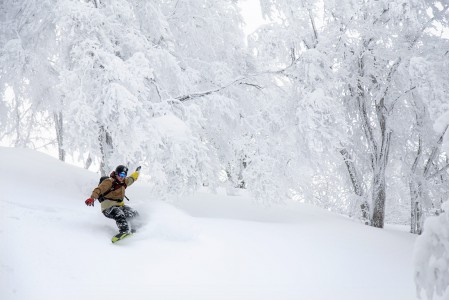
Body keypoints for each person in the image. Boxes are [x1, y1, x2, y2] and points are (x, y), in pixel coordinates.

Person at [85, 165, 140, 235]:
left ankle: (136, 230)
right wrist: (92, 198)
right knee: (119, 214)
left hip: (120, 205)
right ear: (117, 174)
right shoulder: (109, 181)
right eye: (120, 174)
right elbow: (98, 190)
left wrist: (137, 172)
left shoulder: (124, 181)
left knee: (133, 213)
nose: (122, 177)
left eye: (124, 175)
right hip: (108, 207)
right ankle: (124, 231)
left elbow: (132, 178)